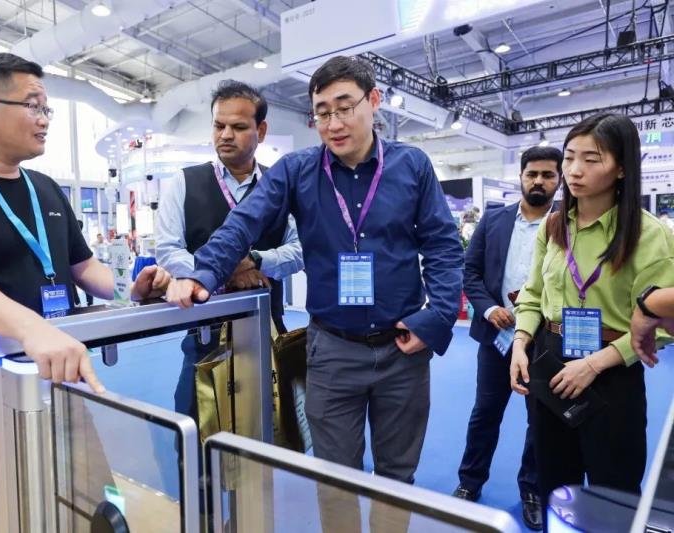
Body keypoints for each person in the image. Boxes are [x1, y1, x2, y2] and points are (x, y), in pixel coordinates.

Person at [166, 55, 462, 532]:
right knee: (334, 480)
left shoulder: (412, 166)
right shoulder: (297, 170)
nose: (333, 123)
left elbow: (443, 246)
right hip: (332, 352)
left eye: (345, 107)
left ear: (374, 101)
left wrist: (438, 318)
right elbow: (244, 222)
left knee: (396, 477)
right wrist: (204, 273)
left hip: (402, 350)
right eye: (322, 112)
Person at [0, 52, 170, 530]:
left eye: (47, 109)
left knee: (85, 508)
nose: (44, 120)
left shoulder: (45, 188)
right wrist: (32, 329)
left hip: (58, 382)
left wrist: (133, 290)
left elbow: (84, 268)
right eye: (33, 106)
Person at [509, 113, 674, 528]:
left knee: (613, 490)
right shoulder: (553, 226)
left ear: (621, 168)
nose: (574, 170)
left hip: (612, 369)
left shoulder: (648, 233)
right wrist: (520, 342)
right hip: (549, 360)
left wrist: (595, 364)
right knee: (555, 482)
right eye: (569, 157)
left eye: (592, 159)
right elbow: (533, 293)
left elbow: (661, 322)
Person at [155, 80, 303, 419]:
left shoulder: (280, 186)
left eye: (238, 127)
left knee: (271, 424)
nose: (225, 135)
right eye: (218, 125)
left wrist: (257, 261)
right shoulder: (184, 183)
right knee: (195, 423)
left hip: (267, 328)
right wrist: (224, 275)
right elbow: (168, 249)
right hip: (204, 333)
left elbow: (299, 250)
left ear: (260, 131)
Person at [452, 146, 563, 531]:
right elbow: (470, 272)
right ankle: (469, 482)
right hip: (496, 336)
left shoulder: (567, 223)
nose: (538, 181)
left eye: (547, 175)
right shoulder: (494, 220)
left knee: (540, 420)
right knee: (485, 412)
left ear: (559, 180)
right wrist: (486, 309)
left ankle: (532, 490)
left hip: (544, 341)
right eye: (532, 174)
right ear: (521, 177)